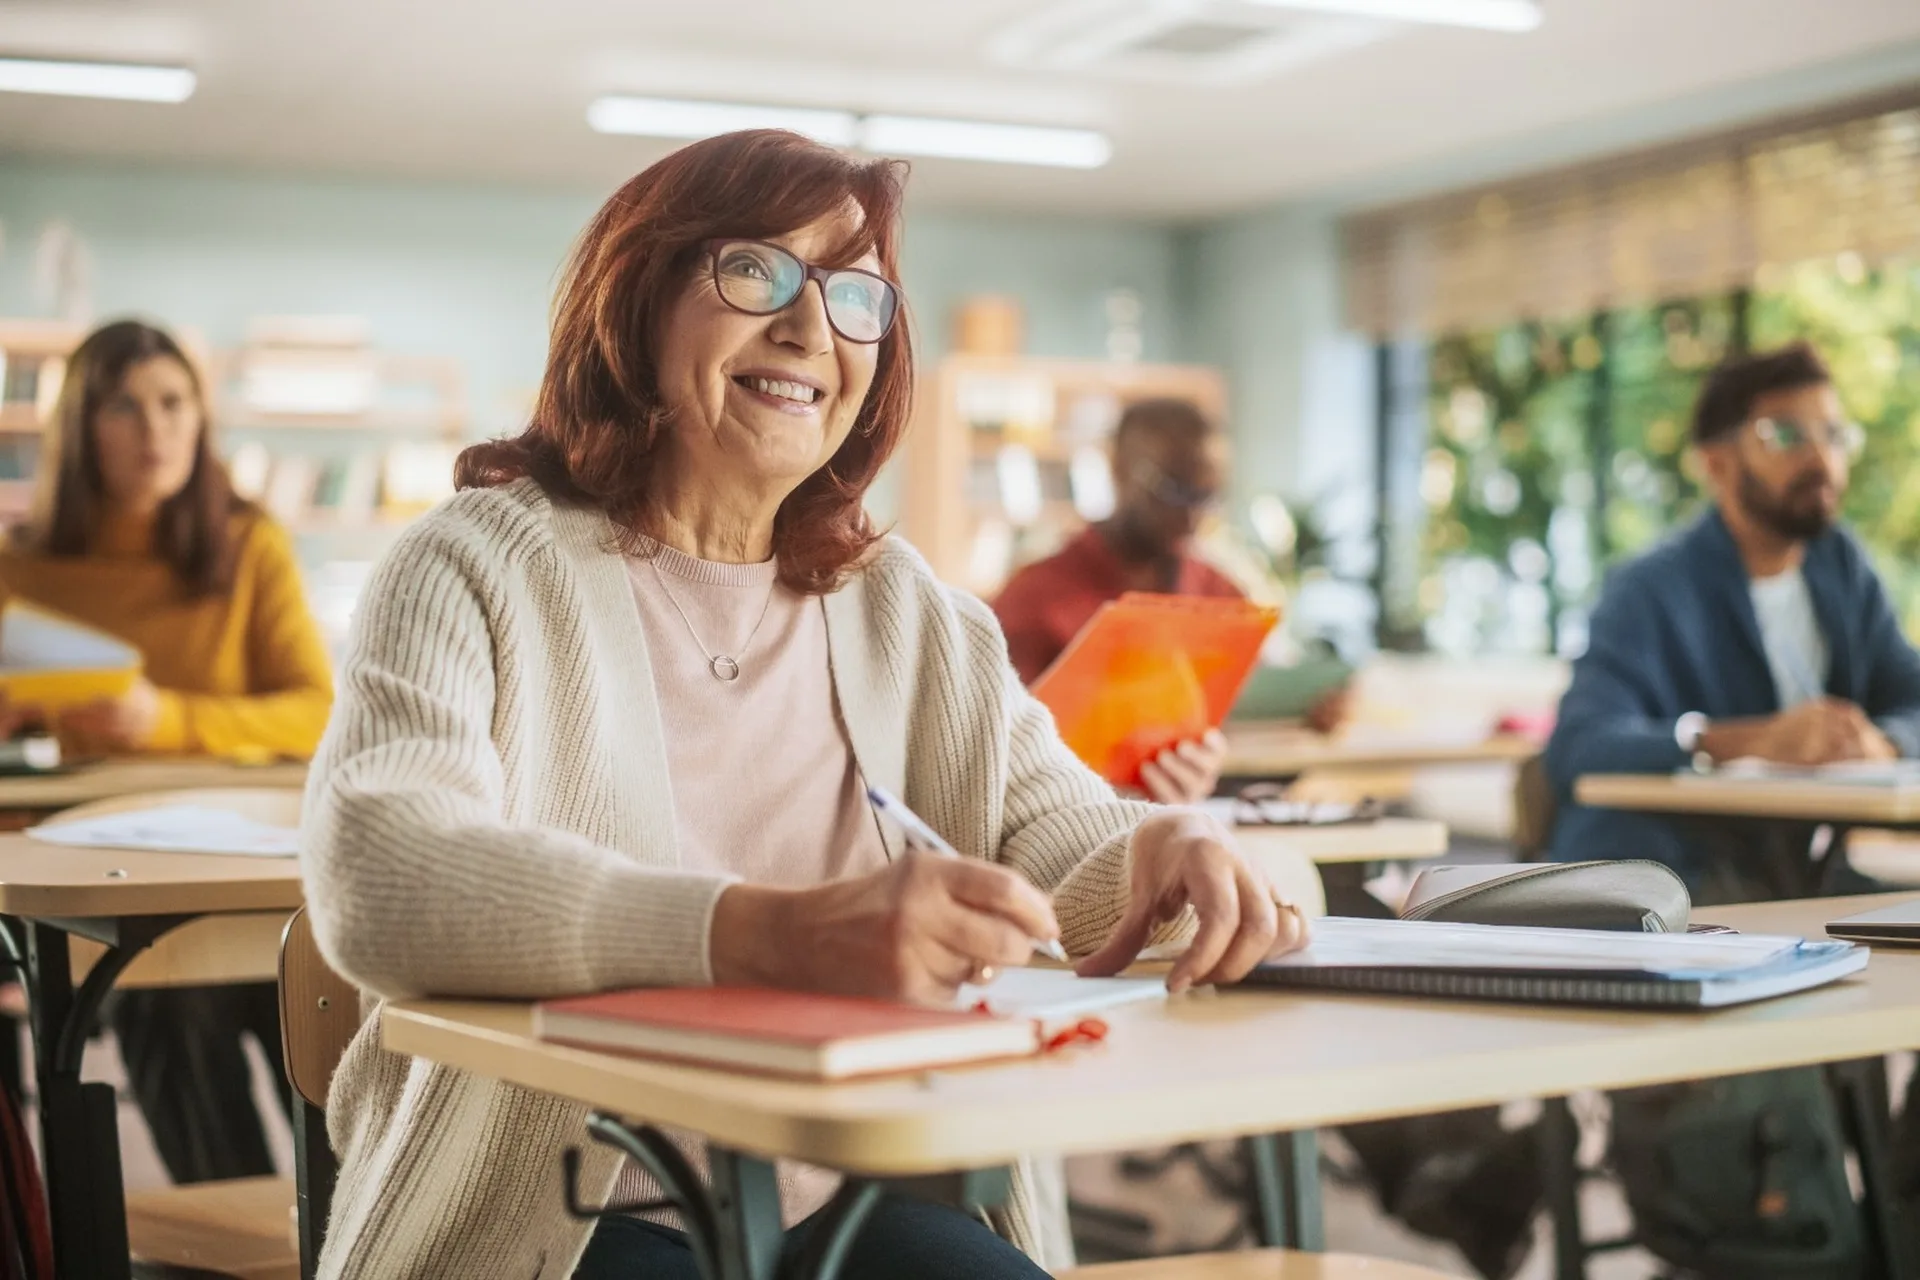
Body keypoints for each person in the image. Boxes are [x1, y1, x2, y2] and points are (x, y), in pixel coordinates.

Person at [300, 128, 1309, 1280]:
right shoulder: (471, 563)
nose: (809, 327)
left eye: (855, 293)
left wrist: (1171, 844)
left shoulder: (909, 609)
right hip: (559, 1209)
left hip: (834, 1198)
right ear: (634, 304)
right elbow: (378, 875)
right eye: (756, 271)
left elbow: (1067, 858)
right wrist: (767, 933)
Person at [0, 319, 334, 1183]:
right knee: (160, 1003)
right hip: (114, 869)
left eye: (173, 402)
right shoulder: (20, 566)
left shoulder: (248, 543)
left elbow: (316, 712)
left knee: (316, 1005)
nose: (155, 430)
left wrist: (166, 720)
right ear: (80, 425)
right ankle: (235, 1240)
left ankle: (347, 1231)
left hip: (252, 864)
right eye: (125, 407)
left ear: (200, 416)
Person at [1546, 341, 1920, 898]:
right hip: (1661, 878)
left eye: (1834, 435)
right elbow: (1580, 745)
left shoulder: (1840, 567)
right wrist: (1751, 741)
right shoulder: (1649, 589)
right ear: (1715, 463)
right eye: (1787, 435)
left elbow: (1911, 697)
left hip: (1786, 871)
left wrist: (1879, 741)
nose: (1821, 459)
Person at [992, 398, 1350, 805]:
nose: (1192, 516)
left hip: (1205, 811)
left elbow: (1253, 706)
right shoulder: (1034, 596)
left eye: (1207, 495)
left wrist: (1307, 712)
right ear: (1119, 471)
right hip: (1070, 817)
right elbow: (997, 748)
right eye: (1175, 491)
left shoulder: (1220, 592)